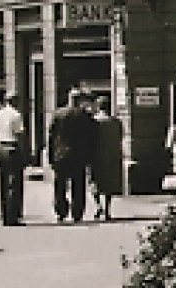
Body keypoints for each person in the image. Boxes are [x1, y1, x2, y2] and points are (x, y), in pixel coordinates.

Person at [47, 89, 101, 222]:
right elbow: (93, 137)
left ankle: (61, 210)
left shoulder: (58, 114)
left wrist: (50, 155)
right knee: (78, 185)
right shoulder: (85, 116)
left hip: (60, 155)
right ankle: (77, 212)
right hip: (79, 155)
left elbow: (51, 137)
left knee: (60, 185)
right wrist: (91, 156)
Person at [0, 95, 28, 225]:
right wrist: (24, 153)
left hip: (0, 148)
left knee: (3, 182)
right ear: (16, 101)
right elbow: (20, 135)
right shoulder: (16, 115)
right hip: (12, 148)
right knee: (14, 184)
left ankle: (5, 215)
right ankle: (13, 216)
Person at [91, 97, 125, 221]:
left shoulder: (95, 121)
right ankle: (107, 210)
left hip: (98, 155)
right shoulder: (116, 122)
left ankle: (98, 205)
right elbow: (120, 137)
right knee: (109, 184)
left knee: (95, 182)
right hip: (114, 155)